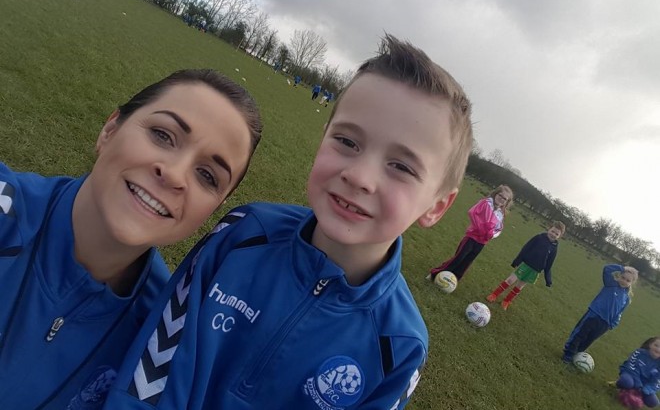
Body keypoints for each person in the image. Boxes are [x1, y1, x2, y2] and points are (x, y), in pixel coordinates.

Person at [102, 34, 473, 409]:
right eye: (347, 141)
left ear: (437, 207)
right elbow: (157, 360)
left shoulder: (400, 345)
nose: (360, 176)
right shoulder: (245, 231)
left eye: (401, 166)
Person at [0, 69, 262, 409]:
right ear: (110, 130)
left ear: (212, 209)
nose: (173, 174)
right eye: (163, 135)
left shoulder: (160, 333)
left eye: (207, 176)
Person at [427, 184, 513, 282]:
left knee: (466, 262)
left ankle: (452, 279)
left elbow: (498, 229)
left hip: (482, 243)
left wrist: (491, 235)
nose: (501, 199)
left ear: (507, 202)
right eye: (500, 196)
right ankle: (436, 274)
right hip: (472, 238)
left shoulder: (500, 214)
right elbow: (473, 213)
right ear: (495, 194)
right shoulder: (485, 203)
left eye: (505, 199)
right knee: (459, 258)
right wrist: (482, 230)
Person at [562, 264, 639, 363]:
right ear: (619, 276)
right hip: (594, 315)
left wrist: (612, 324)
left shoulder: (627, 298)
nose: (624, 281)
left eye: (628, 280)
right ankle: (568, 353)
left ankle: (577, 356)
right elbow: (607, 269)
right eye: (623, 277)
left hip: (605, 324)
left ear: (632, 283)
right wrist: (622, 268)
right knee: (580, 334)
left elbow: (619, 313)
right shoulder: (610, 284)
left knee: (588, 340)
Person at [485, 221, 565, 310]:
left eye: (556, 234)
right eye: (552, 231)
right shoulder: (539, 238)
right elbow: (526, 248)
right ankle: (494, 295)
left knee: (520, 286)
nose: (553, 234)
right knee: (510, 280)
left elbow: (549, 263)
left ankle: (506, 301)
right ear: (549, 228)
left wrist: (548, 278)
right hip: (525, 264)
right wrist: (517, 261)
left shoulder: (554, 248)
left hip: (535, 270)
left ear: (560, 236)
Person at [615, 336, 660, 408]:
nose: (658, 349)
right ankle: (620, 387)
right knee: (626, 382)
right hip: (630, 374)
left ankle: (635, 395)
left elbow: (657, 381)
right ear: (650, 345)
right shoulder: (639, 352)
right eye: (656, 345)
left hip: (644, 384)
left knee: (653, 403)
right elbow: (631, 367)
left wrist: (647, 389)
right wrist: (638, 385)